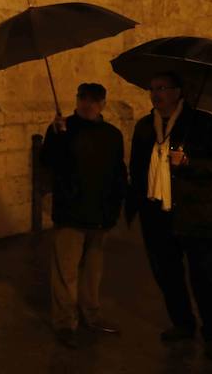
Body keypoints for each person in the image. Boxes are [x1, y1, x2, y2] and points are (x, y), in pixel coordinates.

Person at [126, 71, 212, 362]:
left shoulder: (204, 124)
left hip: (195, 215)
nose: (156, 94)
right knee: (168, 276)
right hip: (156, 216)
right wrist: (133, 205)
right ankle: (183, 323)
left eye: (162, 88)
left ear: (178, 92)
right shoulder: (144, 127)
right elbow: (136, 169)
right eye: (152, 88)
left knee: (205, 278)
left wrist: (190, 162)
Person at [40, 82, 127, 348]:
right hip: (71, 212)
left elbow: (117, 172)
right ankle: (65, 321)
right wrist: (57, 136)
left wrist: (116, 206)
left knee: (92, 271)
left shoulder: (112, 134)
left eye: (94, 99)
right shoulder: (62, 128)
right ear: (77, 99)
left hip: (100, 214)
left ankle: (91, 314)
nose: (88, 104)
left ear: (103, 103)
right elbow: (49, 163)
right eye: (83, 98)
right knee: (65, 270)